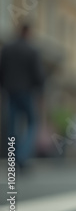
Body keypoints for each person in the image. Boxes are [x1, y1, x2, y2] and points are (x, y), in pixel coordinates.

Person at [0, 24, 44, 169]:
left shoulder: (7, 49)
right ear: (28, 33)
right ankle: (22, 156)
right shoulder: (31, 50)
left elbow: (1, 70)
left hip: (10, 92)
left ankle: (13, 159)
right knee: (32, 123)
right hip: (26, 92)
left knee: (12, 127)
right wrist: (40, 92)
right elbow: (38, 75)